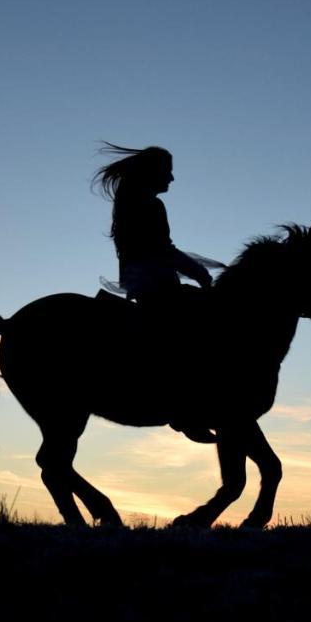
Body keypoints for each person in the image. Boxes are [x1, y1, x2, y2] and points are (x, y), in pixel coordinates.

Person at [93, 143, 217, 443]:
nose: (172, 179)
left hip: (141, 283)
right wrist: (199, 273)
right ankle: (189, 412)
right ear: (154, 173)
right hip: (157, 284)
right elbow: (163, 250)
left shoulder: (128, 201)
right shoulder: (149, 204)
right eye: (168, 172)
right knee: (203, 334)